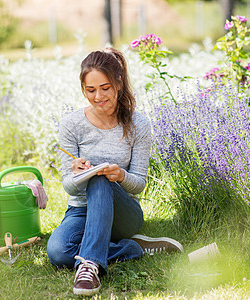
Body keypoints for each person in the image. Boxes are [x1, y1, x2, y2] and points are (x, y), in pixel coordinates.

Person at [46, 47, 183, 296]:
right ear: (83, 89)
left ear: (118, 83)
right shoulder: (71, 124)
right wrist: (76, 173)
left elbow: (139, 183)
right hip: (81, 210)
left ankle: (89, 266)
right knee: (58, 252)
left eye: (105, 88)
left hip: (124, 214)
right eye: (90, 90)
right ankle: (133, 248)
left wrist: (119, 176)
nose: (98, 96)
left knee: (100, 181)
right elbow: (68, 186)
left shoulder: (138, 124)